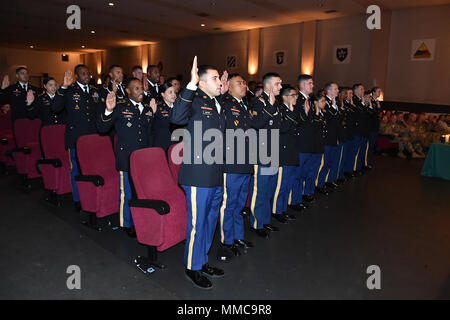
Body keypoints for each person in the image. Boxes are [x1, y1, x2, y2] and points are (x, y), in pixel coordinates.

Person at [170, 56, 228, 290]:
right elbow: (176, 117)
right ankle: (192, 267)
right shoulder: (194, 100)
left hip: (215, 173)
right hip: (197, 175)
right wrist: (190, 84)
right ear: (202, 82)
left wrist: (221, 93)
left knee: (210, 221)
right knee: (197, 223)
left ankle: (202, 261)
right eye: (214, 78)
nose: (219, 82)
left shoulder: (215, 102)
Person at [97, 78, 156, 237]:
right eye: (136, 88)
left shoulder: (146, 109)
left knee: (141, 191)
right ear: (128, 91)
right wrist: (108, 110)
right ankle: (126, 223)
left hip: (142, 158)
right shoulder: (121, 107)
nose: (140, 92)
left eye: (141, 88)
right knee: (127, 192)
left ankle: (140, 220)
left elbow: (148, 132)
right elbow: (102, 127)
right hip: (126, 157)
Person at [52, 65, 101, 209]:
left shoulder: (94, 91)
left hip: (92, 138)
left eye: (88, 73)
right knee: (77, 169)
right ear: (76, 76)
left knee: (92, 169)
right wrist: (63, 87)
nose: (86, 76)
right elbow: (55, 107)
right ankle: (78, 199)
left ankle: (90, 196)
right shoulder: (69, 91)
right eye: (83, 73)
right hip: (76, 138)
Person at [217, 73, 254, 261]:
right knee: (228, 204)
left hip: (245, 161)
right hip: (231, 162)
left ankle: (237, 236)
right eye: (239, 83)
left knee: (239, 203)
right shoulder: (225, 104)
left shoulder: (243, 105)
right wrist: (221, 94)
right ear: (229, 87)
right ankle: (226, 241)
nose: (244, 85)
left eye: (244, 82)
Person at [249, 72, 282, 239]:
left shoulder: (276, 103)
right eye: (277, 84)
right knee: (259, 190)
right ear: (268, 86)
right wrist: (269, 107)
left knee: (269, 189)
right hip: (261, 152)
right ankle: (256, 223)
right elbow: (256, 124)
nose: (280, 87)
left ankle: (264, 220)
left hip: (273, 152)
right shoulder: (258, 103)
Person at [272, 86, 299, 224]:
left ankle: (283, 209)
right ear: (286, 97)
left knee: (288, 183)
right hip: (283, 153)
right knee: (281, 185)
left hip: (292, 152)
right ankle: (276, 210)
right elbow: (281, 129)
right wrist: (291, 113)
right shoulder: (280, 110)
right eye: (293, 95)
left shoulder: (292, 110)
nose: (296, 98)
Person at [316, 82, 341, 195]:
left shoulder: (333, 102)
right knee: (324, 163)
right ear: (329, 91)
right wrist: (334, 106)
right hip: (325, 138)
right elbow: (328, 118)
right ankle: (319, 184)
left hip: (332, 137)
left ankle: (325, 182)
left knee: (329, 162)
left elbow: (336, 122)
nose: (337, 91)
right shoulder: (324, 102)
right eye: (335, 89)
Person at [152, 82, 178, 151]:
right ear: (163, 94)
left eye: (174, 92)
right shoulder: (157, 108)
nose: (174, 95)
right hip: (162, 145)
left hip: (176, 145)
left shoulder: (178, 108)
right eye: (170, 92)